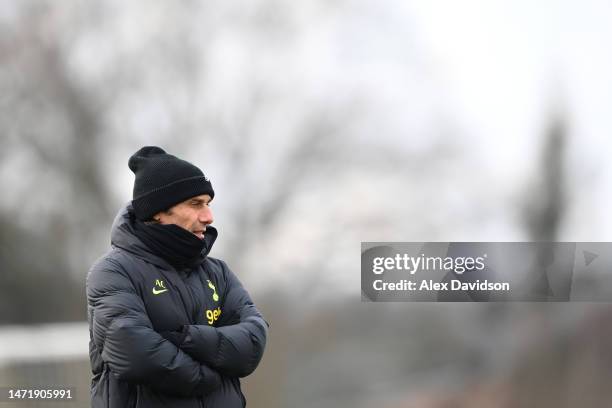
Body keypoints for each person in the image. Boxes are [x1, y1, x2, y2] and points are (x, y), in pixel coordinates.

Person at [86, 146, 268, 408]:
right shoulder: (113, 272)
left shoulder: (219, 273)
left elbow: (252, 341)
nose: (208, 216)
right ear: (157, 211)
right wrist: (213, 372)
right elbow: (137, 354)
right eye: (195, 204)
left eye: (207, 204)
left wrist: (185, 338)